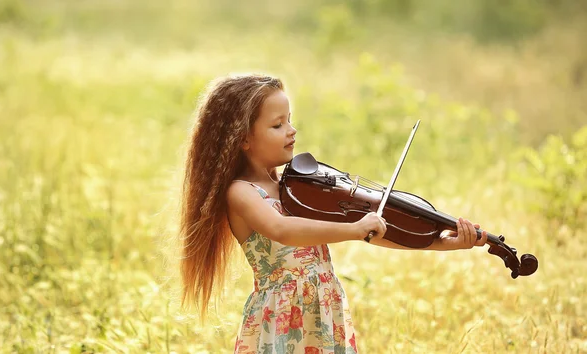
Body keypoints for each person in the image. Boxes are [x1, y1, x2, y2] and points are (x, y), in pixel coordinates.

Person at [179, 74, 488, 353]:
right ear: (243, 138)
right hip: (282, 317)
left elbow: (376, 231)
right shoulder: (242, 192)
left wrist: (442, 242)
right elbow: (282, 229)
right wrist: (355, 228)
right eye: (277, 125)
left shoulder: (300, 188)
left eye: (290, 120)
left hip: (324, 311)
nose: (292, 130)